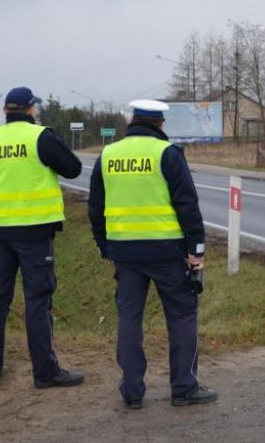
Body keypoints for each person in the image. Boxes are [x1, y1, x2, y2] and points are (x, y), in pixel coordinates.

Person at [88, 99, 217, 409]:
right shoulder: (167, 154)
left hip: (124, 253)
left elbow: (95, 206)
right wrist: (196, 250)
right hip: (166, 251)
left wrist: (105, 246)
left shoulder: (108, 155)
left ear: (132, 121)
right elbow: (187, 205)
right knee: (182, 316)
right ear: (160, 124)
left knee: (129, 320)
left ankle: (132, 392)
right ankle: (184, 388)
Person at [0, 86, 84, 389]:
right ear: (31, 109)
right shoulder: (40, 137)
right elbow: (73, 168)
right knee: (37, 300)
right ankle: (45, 372)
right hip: (35, 232)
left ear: (5, 111)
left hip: (1, 232)